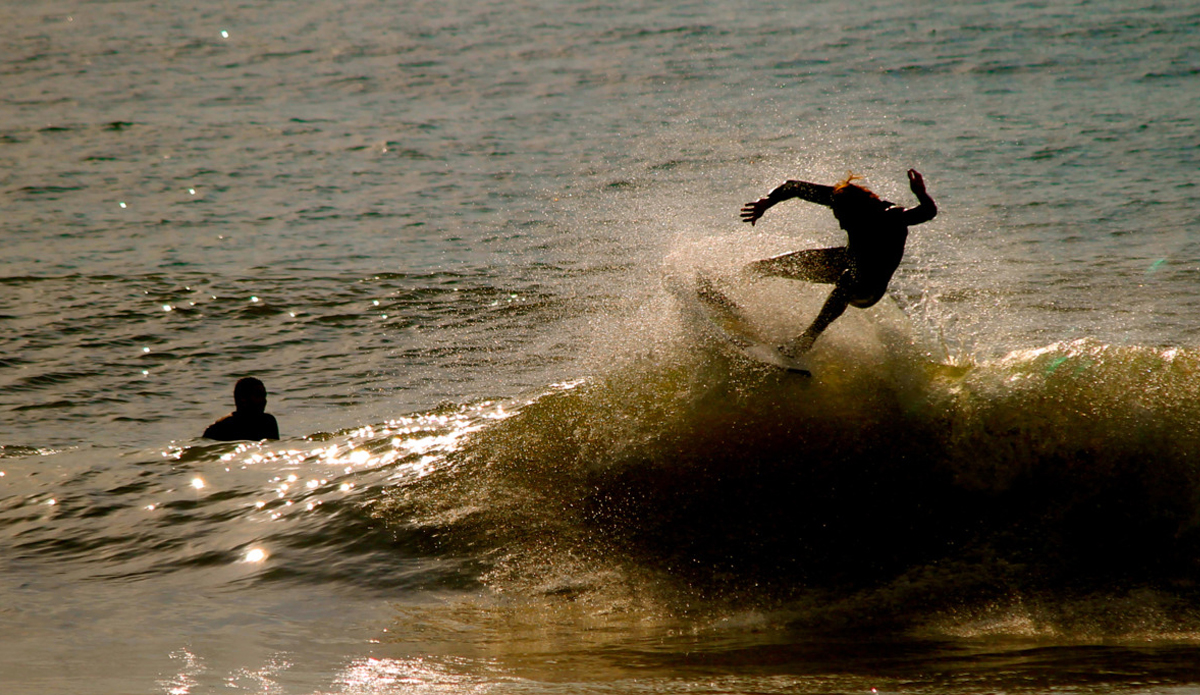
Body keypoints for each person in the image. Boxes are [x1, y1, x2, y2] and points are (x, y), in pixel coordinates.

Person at [740, 169, 936, 357]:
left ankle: (806, 339)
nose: (841, 224)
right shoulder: (840, 199)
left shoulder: (890, 216)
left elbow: (928, 212)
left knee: (847, 278)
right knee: (766, 266)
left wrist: (921, 193)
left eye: (844, 218)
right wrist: (767, 201)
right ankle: (730, 289)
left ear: (859, 211)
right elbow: (793, 187)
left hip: (868, 287)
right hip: (846, 260)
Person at [203, 377, 280, 441]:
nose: (264, 401)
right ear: (243, 398)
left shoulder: (267, 422)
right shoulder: (219, 428)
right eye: (258, 395)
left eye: (264, 396)